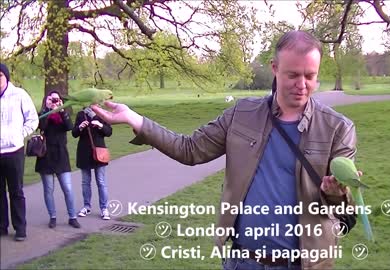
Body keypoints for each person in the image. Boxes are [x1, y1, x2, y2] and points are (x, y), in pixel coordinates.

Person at [92, 31, 360, 269]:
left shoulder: (338, 128)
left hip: (304, 264)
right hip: (243, 261)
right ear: (275, 68)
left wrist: (335, 194)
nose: (302, 84)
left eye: (310, 76)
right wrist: (134, 119)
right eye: (292, 75)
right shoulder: (242, 114)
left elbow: (343, 208)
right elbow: (190, 149)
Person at [0, 63, 39, 241]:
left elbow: (32, 119)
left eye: (0, 75)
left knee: (16, 191)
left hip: (14, 151)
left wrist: (19, 135)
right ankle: (2, 226)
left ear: (6, 77)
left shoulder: (19, 95)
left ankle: (20, 228)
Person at [35, 91, 81, 229]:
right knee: (48, 189)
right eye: (51, 99)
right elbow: (41, 126)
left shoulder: (63, 114)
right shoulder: (43, 113)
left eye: (56, 99)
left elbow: (69, 127)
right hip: (46, 155)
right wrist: (47, 109)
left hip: (61, 155)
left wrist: (60, 110)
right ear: (46, 100)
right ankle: (52, 217)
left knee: (67, 188)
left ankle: (72, 217)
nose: (54, 101)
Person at [72, 106, 112, 220]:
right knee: (85, 182)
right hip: (84, 152)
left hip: (99, 152)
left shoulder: (102, 114)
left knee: (101, 181)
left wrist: (99, 125)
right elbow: (74, 133)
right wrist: (80, 127)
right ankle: (86, 206)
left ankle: (104, 208)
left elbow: (109, 132)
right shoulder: (81, 114)